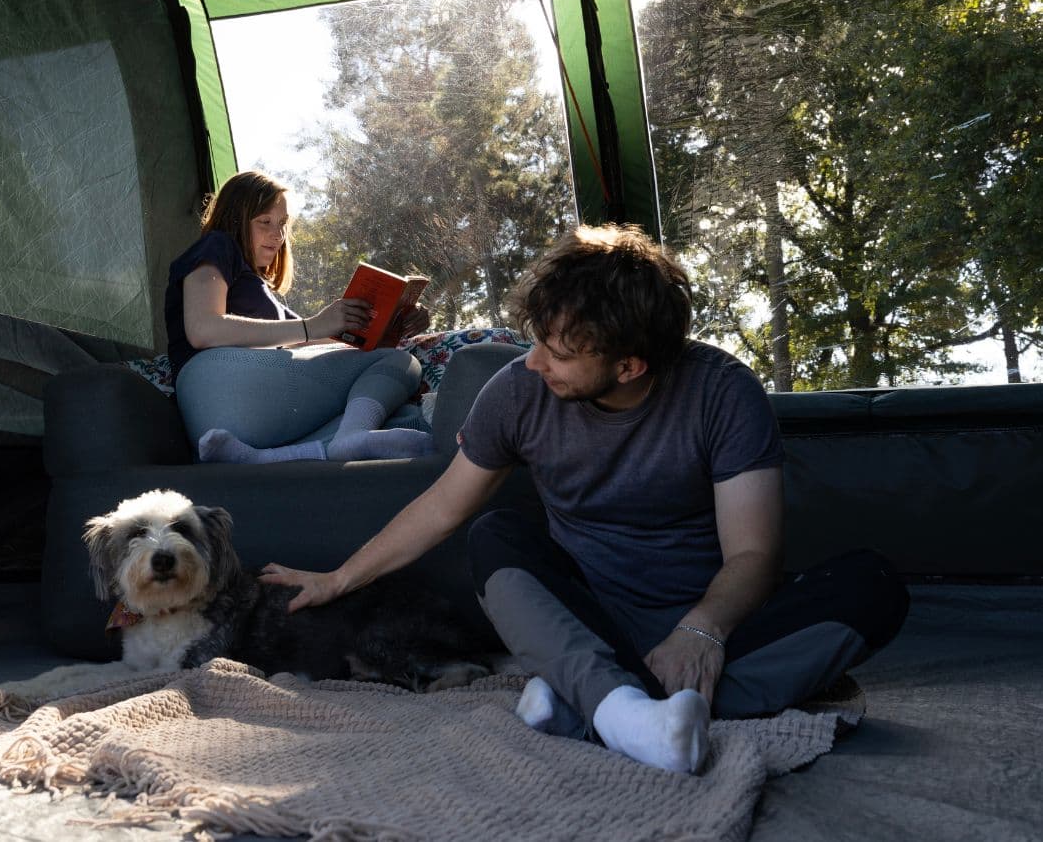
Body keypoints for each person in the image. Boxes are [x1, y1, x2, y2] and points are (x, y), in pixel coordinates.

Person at [259, 224, 909, 772]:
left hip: (717, 631)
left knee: (874, 585)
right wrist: (340, 578)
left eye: (560, 352)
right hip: (584, 621)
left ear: (629, 366)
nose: (535, 362)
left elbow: (755, 554)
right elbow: (443, 508)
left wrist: (701, 630)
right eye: (539, 339)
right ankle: (629, 710)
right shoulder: (517, 390)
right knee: (495, 535)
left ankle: (594, 700)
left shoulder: (722, 392)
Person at [166, 170, 435, 464]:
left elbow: (314, 340)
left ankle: (264, 457)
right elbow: (203, 329)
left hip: (216, 415)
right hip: (216, 382)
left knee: (402, 417)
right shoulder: (217, 244)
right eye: (264, 222)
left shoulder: (258, 290)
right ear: (234, 219)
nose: (278, 235)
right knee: (400, 362)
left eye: (283, 224)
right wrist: (311, 326)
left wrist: (388, 323)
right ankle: (349, 438)